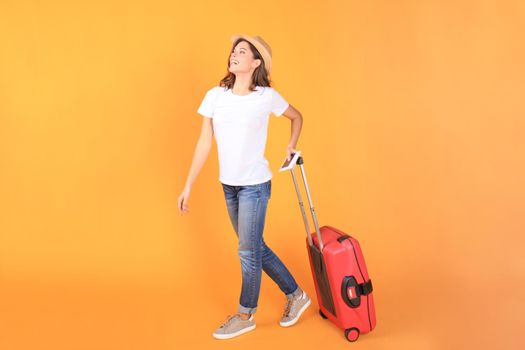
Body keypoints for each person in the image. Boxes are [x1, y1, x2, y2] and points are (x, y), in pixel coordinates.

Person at [177, 34, 310, 340]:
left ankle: (245, 314)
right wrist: (188, 186)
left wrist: (291, 145)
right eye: (233, 51)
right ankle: (297, 294)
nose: (234, 55)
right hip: (230, 187)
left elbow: (296, 117)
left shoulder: (266, 96)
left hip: (255, 186)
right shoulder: (215, 96)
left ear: (256, 62)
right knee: (254, 247)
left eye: (242, 51)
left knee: (247, 251)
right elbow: (204, 142)